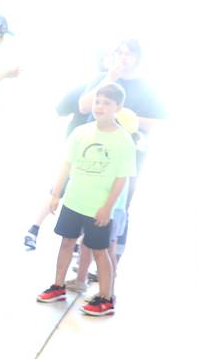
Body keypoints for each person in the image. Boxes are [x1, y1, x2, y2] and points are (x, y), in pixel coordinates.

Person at [24, 37, 163, 259]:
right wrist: (109, 77)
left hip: (129, 154)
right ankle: (75, 251)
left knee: (118, 206)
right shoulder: (102, 79)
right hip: (92, 151)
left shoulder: (147, 88)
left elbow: (160, 122)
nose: (123, 58)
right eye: (119, 53)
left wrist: (131, 119)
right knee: (82, 199)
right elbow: (83, 105)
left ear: (138, 58)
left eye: (128, 54)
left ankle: (111, 257)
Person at [36, 82, 136, 317]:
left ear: (118, 107)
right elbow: (67, 164)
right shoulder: (81, 132)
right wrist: (56, 194)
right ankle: (58, 286)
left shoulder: (123, 141)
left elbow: (121, 180)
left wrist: (107, 207)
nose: (100, 106)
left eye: (107, 103)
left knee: (99, 251)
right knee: (66, 243)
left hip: (98, 207)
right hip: (74, 201)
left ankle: (106, 298)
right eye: (97, 101)